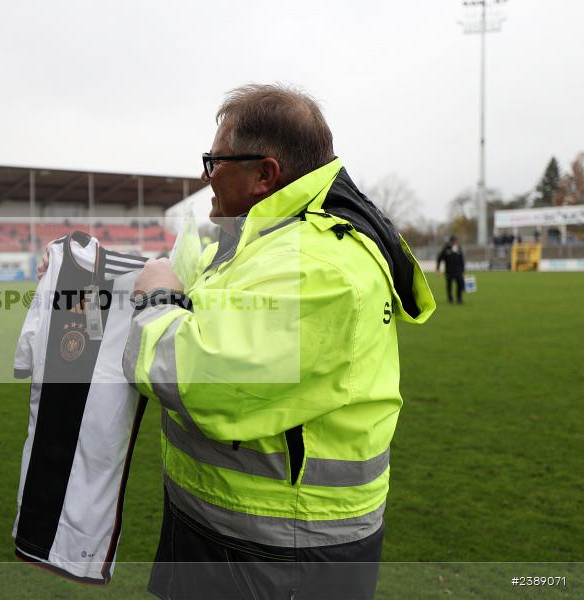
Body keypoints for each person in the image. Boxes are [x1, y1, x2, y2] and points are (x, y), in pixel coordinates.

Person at [122, 84, 435, 599]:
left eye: (214, 162)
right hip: (234, 528)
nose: (207, 178)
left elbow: (194, 376)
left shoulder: (316, 265)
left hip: (283, 547)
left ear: (264, 174)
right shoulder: (263, 238)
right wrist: (89, 270)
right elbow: (187, 271)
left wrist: (154, 301)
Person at [436, 235, 466, 304]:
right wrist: (438, 269)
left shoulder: (458, 248)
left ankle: (459, 299)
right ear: (451, 241)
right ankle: (450, 299)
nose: (455, 242)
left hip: (458, 271)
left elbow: (462, 260)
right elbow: (439, 259)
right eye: (454, 241)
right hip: (449, 271)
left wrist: (463, 270)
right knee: (449, 286)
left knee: (459, 285)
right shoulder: (446, 249)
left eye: (456, 241)